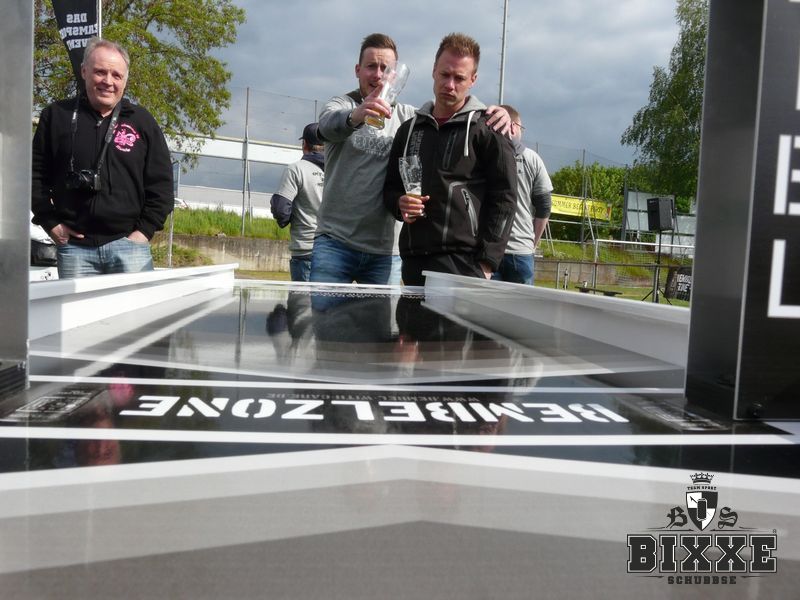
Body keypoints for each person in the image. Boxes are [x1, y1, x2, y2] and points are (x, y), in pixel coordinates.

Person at [313, 32, 510, 285]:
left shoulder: (409, 119)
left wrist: (502, 114)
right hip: (335, 242)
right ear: (357, 70)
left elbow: (447, 117)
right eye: (371, 66)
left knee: (383, 314)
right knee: (324, 311)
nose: (378, 75)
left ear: (395, 76)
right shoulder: (341, 105)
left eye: (386, 69)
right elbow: (325, 127)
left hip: (386, 250)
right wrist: (357, 115)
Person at [31, 37, 174, 278]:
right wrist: (50, 223)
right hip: (74, 249)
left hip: (130, 248)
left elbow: (162, 186)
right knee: (77, 306)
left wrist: (143, 233)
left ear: (125, 80)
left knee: (135, 306)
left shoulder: (142, 122)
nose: (108, 81)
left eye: (116, 75)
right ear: (84, 71)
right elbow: (33, 177)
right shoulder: (56, 116)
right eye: (100, 72)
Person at [383, 33, 518, 286]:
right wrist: (399, 204)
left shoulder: (489, 129)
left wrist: (488, 262)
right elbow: (390, 188)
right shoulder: (408, 130)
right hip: (413, 261)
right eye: (445, 74)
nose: (450, 85)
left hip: (464, 264)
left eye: (459, 78)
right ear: (434, 70)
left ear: (473, 80)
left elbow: (505, 198)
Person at [491, 104, 552, 285]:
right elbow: (544, 207)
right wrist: (532, 243)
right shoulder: (532, 158)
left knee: (486, 302)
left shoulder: (483, 155)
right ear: (513, 126)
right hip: (521, 250)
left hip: (489, 248)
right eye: (521, 128)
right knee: (521, 303)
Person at [271, 123, 325, 282]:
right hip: (335, 253)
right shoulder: (338, 170)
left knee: (302, 298)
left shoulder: (296, 169)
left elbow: (281, 208)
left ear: (304, 144)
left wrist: (286, 220)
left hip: (305, 250)